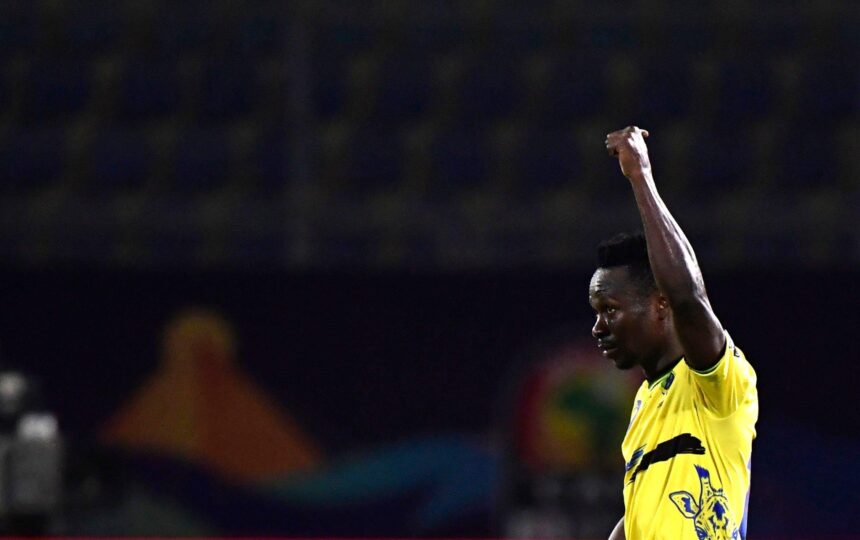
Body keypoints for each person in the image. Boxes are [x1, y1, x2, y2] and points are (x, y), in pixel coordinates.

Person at [592, 127, 758, 539]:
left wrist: (641, 176)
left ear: (660, 303)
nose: (598, 328)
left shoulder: (717, 383)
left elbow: (689, 298)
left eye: (610, 310)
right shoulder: (646, 403)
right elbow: (635, 516)